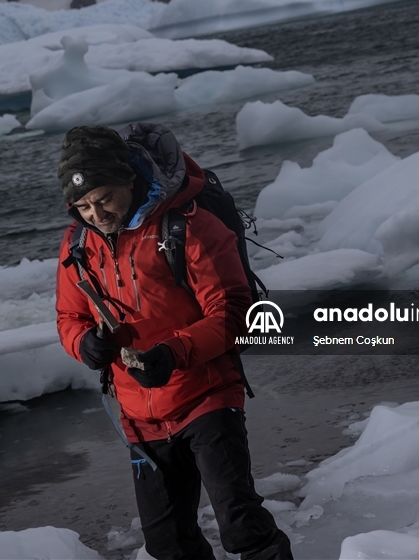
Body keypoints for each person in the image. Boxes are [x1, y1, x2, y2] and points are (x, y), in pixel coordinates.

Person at [54, 123, 293, 560]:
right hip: (138, 414)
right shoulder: (78, 244)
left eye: (104, 198)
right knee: (169, 544)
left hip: (207, 394)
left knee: (240, 524)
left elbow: (234, 311)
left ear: (128, 180)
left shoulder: (188, 227)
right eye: (83, 206)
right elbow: (70, 316)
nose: (96, 214)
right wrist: (83, 342)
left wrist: (173, 352)